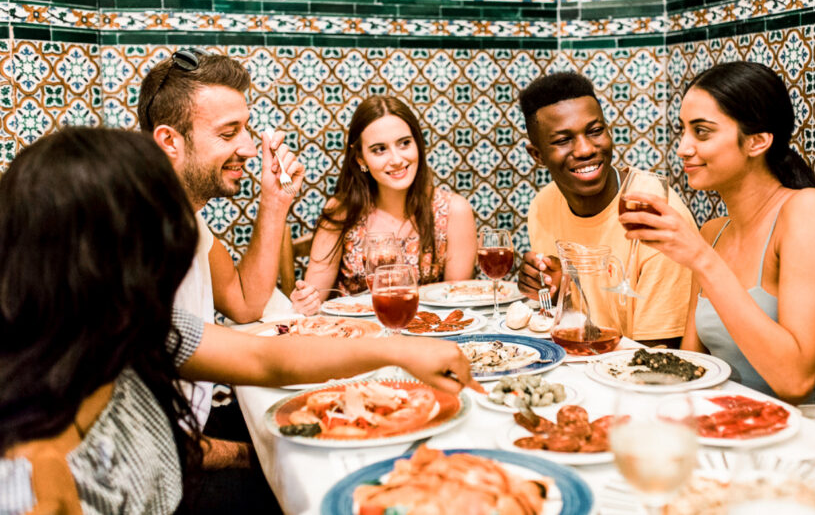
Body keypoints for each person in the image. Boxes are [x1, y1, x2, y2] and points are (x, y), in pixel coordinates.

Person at [0, 127, 481, 514]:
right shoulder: (30, 481)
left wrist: (398, 349)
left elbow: (265, 357)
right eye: (169, 225)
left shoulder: (126, 329)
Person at [619, 61, 815, 430]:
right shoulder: (713, 233)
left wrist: (701, 260)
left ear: (757, 141)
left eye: (702, 132)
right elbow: (694, 369)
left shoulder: (806, 211)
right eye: (683, 131)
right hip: (725, 427)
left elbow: (794, 383)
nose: (683, 148)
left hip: (803, 436)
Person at [137, 49, 302, 479]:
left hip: (201, 420)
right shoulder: (137, 238)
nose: (248, 147)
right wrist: (260, 458)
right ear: (170, 141)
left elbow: (246, 302)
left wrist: (275, 201)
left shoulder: (187, 220)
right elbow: (153, 446)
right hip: (170, 464)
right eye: (229, 133)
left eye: (245, 129)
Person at [516, 72, 696, 347]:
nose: (586, 149)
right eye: (563, 140)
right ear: (537, 155)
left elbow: (663, 353)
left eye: (595, 131)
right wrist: (553, 291)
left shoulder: (654, 212)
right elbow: (572, 319)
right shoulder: (543, 205)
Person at [290, 95, 477, 315]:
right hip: (357, 340)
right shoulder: (341, 211)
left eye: (404, 143)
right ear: (360, 157)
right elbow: (315, 297)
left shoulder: (454, 211)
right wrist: (305, 301)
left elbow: (454, 308)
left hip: (426, 339)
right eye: (380, 149)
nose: (396, 159)